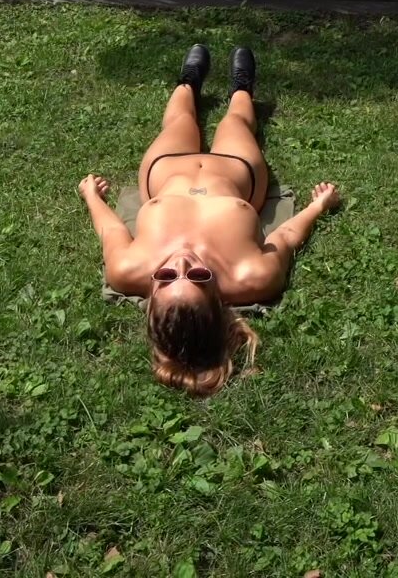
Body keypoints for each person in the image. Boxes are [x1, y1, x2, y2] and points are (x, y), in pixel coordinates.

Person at [80, 44, 340, 398]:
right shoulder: (252, 276)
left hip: (165, 171)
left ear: (152, 296)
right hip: (236, 173)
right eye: (199, 277)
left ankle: (189, 80)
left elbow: (111, 229)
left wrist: (92, 197)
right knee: (236, 122)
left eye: (166, 277)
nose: (182, 263)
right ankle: (242, 85)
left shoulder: (127, 269)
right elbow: (287, 237)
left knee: (180, 121)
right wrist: (318, 206)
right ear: (218, 300)